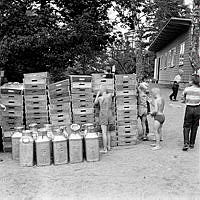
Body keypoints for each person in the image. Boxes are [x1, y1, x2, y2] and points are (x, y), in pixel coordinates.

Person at [182, 74, 200, 151]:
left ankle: (186, 142)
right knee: (195, 126)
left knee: (186, 126)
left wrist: (185, 100)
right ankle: (192, 143)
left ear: (192, 81)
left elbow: (183, 98)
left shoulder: (187, 89)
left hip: (189, 108)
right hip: (198, 108)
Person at [94, 86, 114, 153]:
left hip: (103, 115)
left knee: (104, 132)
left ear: (101, 91)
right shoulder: (110, 96)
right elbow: (113, 93)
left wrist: (97, 94)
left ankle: (105, 149)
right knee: (108, 132)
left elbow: (95, 103)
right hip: (110, 114)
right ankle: (109, 146)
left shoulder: (100, 98)